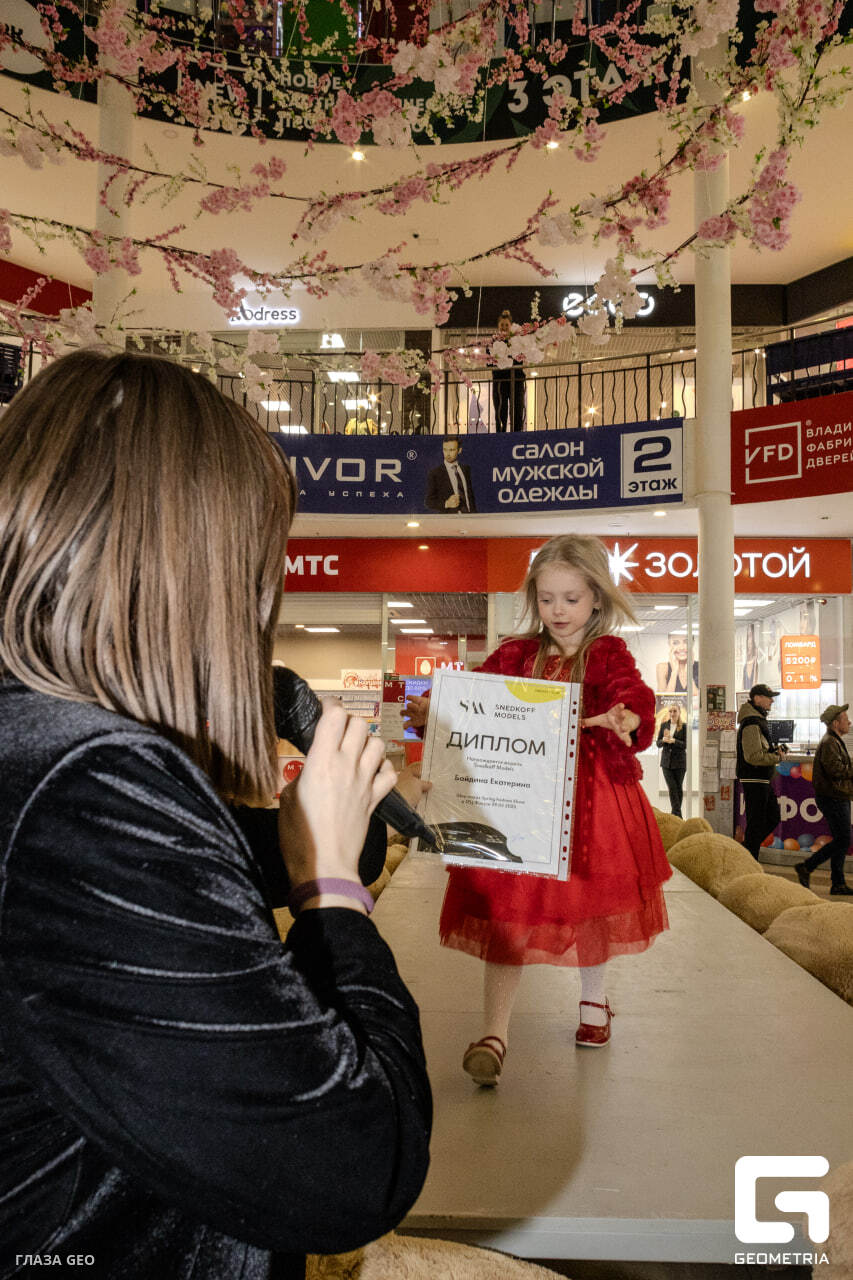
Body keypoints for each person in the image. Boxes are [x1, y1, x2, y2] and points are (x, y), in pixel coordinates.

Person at [0, 350, 432, 1279]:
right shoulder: (88, 782)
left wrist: (314, 831)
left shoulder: (36, 749)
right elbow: (352, 1163)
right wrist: (332, 892)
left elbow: (213, 884)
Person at [403, 534, 672, 1083]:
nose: (558, 611)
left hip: (592, 802)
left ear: (597, 598)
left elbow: (636, 697)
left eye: (571, 599)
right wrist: (437, 705)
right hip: (520, 800)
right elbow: (474, 695)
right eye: (547, 598)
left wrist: (630, 719)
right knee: (508, 906)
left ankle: (593, 1002)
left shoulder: (609, 653)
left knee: (589, 900)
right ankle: (494, 1032)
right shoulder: (517, 653)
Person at [795, 703, 853, 895]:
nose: (849, 723)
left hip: (836, 796)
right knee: (844, 838)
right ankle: (807, 866)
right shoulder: (830, 742)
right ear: (836, 723)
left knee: (841, 839)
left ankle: (838, 883)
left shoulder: (834, 741)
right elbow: (835, 770)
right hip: (833, 797)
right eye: (846, 720)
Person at [736, 683, 788, 861]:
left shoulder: (757, 720)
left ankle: (746, 851)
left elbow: (758, 752)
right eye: (769, 697)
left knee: (771, 818)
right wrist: (777, 758)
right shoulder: (751, 723)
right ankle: (748, 859)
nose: (772, 701)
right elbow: (753, 756)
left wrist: (773, 753)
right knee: (757, 822)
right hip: (754, 779)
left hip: (762, 779)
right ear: (757, 698)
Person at [490, 310, 526, 432]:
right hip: (500, 380)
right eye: (502, 325)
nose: (504, 328)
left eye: (507, 325)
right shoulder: (493, 341)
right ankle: (501, 436)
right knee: (501, 410)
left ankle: (517, 434)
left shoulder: (517, 340)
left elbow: (520, 359)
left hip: (516, 379)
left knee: (517, 408)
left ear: (511, 326)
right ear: (498, 327)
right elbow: (489, 362)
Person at [424, 436, 477, 513]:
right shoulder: (435, 473)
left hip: (470, 518)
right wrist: (446, 504)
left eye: (452, 450)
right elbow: (428, 502)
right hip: (450, 520)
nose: (447, 454)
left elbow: (470, 496)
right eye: (445, 450)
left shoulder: (466, 469)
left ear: (459, 450)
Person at [656, 703, 687, 817]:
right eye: (671, 711)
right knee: (672, 788)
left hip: (680, 763)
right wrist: (663, 740)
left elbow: (685, 745)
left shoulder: (684, 727)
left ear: (679, 712)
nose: (672, 713)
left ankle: (675, 814)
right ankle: (677, 815)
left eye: (675, 711)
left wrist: (674, 741)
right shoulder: (664, 725)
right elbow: (658, 743)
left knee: (678, 789)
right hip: (666, 763)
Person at [656, 632, 699, 697]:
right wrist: (674, 672)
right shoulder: (662, 667)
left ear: (692, 643)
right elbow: (663, 703)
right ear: (669, 645)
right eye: (675, 643)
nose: (681, 647)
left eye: (686, 642)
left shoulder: (702, 667)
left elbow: (700, 702)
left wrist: (688, 673)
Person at [742, 623, 758, 691]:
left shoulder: (755, 663)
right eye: (748, 637)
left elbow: (755, 683)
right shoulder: (745, 665)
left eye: (751, 636)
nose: (749, 641)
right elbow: (742, 687)